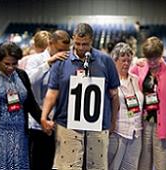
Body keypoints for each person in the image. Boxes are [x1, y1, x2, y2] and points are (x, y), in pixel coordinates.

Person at [41, 23, 120, 170]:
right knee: (66, 167)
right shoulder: (62, 61)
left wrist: (113, 121)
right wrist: (44, 116)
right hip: (67, 124)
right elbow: (52, 92)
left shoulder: (106, 61)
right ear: (73, 39)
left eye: (85, 44)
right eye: (78, 43)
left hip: (98, 124)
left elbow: (114, 95)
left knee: (98, 167)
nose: (81, 48)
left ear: (92, 40)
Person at [0, 42, 43, 169]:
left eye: (14, 63)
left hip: (19, 135)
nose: (11, 67)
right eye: (7, 63)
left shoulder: (22, 75)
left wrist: (44, 121)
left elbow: (30, 103)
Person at [130, 36, 166, 170]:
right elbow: (126, 78)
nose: (152, 62)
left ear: (161, 54)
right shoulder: (140, 68)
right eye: (149, 58)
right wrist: (137, 63)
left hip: (164, 126)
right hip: (144, 124)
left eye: (155, 58)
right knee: (142, 164)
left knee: (163, 165)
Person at [24, 30, 71, 170]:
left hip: (60, 123)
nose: (62, 53)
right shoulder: (35, 59)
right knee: (38, 164)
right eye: (60, 50)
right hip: (38, 123)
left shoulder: (67, 63)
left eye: (66, 51)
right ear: (50, 44)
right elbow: (28, 81)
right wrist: (48, 64)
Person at [108, 42, 143, 170]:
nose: (126, 63)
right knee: (113, 167)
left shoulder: (135, 79)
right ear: (115, 60)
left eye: (129, 60)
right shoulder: (110, 81)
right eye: (123, 60)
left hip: (136, 132)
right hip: (118, 132)